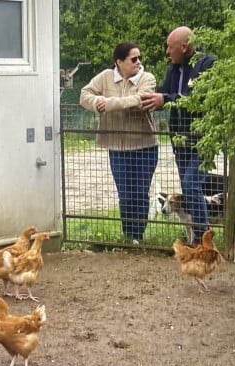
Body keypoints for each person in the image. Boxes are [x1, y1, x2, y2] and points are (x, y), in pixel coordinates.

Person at [141, 26, 216, 245]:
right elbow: (167, 92)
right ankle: (196, 238)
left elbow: (195, 97)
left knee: (192, 184)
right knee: (188, 186)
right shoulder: (174, 68)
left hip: (203, 138)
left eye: (170, 47)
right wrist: (155, 100)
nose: (167, 52)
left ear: (184, 47)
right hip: (180, 139)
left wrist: (167, 99)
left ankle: (203, 239)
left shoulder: (208, 64)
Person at [80, 42, 159, 244]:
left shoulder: (147, 78)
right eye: (133, 59)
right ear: (119, 62)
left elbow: (139, 99)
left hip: (144, 146)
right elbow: (84, 94)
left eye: (139, 58)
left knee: (140, 192)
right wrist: (97, 104)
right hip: (116, 147)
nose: (138, 62)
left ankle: (138, 236)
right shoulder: (106, 77)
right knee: (125, 193)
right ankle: (128, 234)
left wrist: (108, 103)